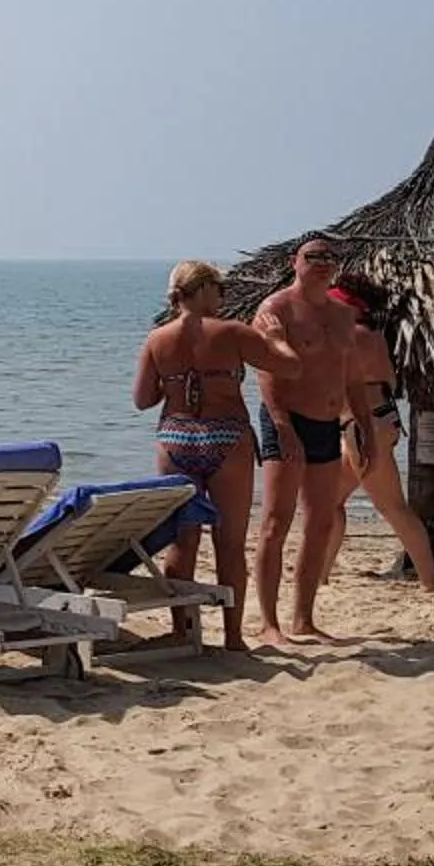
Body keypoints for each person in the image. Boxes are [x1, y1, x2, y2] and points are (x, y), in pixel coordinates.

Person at [133, 260, 302, 652]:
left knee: (183, 540)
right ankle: (232, 637)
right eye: (220, 288)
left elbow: (143, 399)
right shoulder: (233, 333)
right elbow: (289, 368)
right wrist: (277, 339)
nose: (223, 296)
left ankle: (183, 630)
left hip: (176, 438)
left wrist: (175, 383)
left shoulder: (157, 339)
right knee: (229, 542)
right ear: (206, 289)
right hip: (227, 436)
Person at [251, 236, 356, 646]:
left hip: (328, 422)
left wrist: (360, 421)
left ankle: (304, 619)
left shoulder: (344, 316)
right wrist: (281, 424)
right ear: (295, 262)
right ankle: (268, 623)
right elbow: (266, 371)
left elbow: (351, 375)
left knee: (321, 521)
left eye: (330, 257)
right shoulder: (276, 309)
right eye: (313, 256)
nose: (323, 263)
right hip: (287, 419)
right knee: (276, 521)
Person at [323, 274, 434, 599]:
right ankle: (321, 575)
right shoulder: (373, 334)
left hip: (363, 426)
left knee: (391, 506)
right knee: (330, 502)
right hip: (380, 419)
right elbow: (387, 378)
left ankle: (430, 580)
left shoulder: (348, 337)